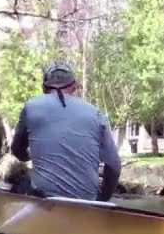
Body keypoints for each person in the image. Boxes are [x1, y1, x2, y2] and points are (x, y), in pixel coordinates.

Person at [9, 61, 121, 202]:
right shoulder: (96, 113)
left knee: (20, 186)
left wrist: (29, 156)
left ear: (44, 87)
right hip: (87, 201)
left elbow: (17, 150)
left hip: (45, 199)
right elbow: (114, 166)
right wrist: (103, 199)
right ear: (74, 86)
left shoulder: (31, 107)